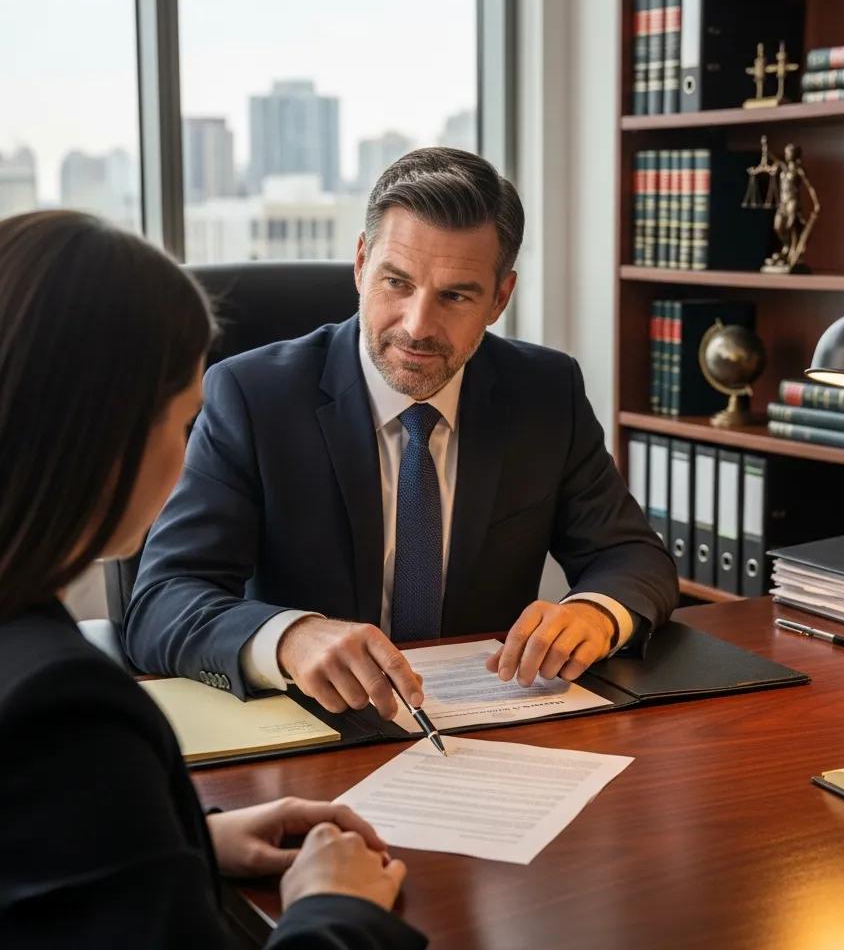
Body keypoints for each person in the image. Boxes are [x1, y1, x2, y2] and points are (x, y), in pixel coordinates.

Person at [123, 147, 677, 720]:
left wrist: (595, 612)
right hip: (312, 731)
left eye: (456, 295)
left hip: (485, 726)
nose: (417, 325)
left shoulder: (543, 391)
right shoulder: (252, 396)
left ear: (500, 298)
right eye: (397, 282)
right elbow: (164, 601)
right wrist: (291, 637)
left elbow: (632, 554)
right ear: (362, 264)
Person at [0, 210, 425, 948]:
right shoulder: (62, 713)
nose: (190, 453)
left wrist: (190, 837)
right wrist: (335, 907)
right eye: (184, 422)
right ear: (101, 435)